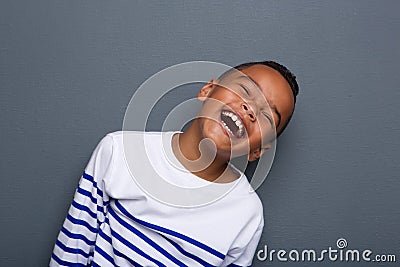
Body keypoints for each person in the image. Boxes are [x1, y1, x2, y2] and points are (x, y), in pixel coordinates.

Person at [49, 61, 299, 266]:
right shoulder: (120, 151)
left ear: (257, 151)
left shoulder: (247, 215)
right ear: (208, 90)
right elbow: (72, 250)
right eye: (245, 90)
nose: (250, 109)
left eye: (266, 116)